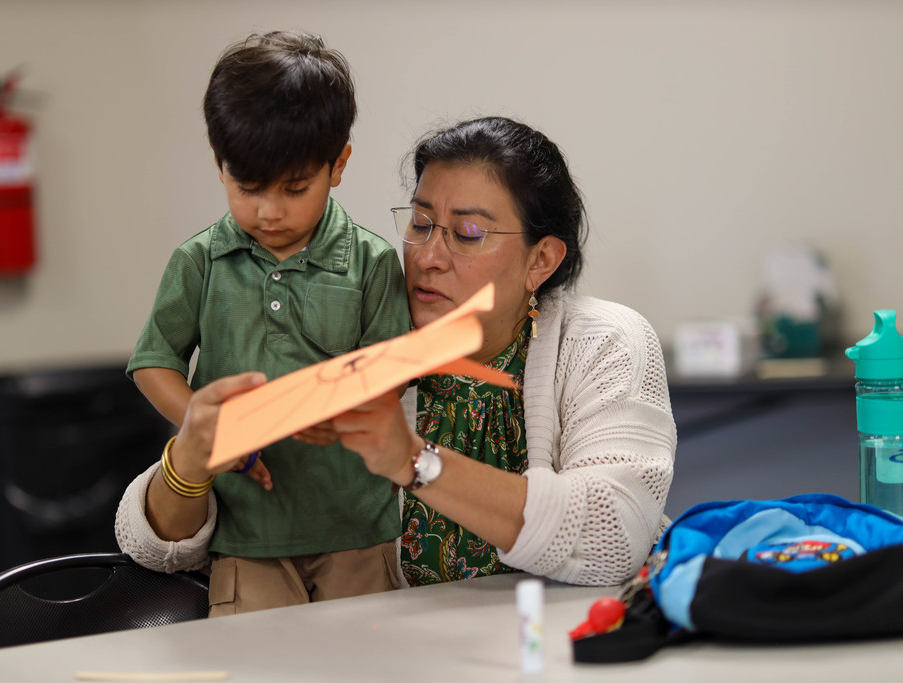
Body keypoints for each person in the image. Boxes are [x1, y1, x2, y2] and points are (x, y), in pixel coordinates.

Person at [117, 115, 676, 594]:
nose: (428, 255)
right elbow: (151, 546)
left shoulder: (602, 342)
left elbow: (614, 536)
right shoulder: (369, 335)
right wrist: (188, 465)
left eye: (469, 232)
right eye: (421, 223)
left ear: (541, 260)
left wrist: (412, 460)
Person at [122, 31, 410, 615]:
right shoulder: (200, 261)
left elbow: (394, 371)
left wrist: (339, 406)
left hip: (357, 524)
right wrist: (204, 428)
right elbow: (153, 363)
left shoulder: (373, 261)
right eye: (247, 188)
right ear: (219, 166)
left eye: (295, 188)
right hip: (247, 535)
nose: (269, 211)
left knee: (371, 664)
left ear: (339, 165)